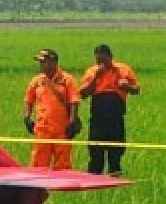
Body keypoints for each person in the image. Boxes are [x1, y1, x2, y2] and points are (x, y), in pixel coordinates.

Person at [80, 43, 140, 176]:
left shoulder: (123, 69)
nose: (101, 63)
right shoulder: (92, 71)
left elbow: (137, 89)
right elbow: (83, 94)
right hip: (98, 118)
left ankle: (114, 178)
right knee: (96, 152)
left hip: (116, 117)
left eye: (103, 60)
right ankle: (94, 181)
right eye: (98, 60)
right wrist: (96, 77)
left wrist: (127, 86)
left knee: (116, 152)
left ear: (111, 57)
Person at [23, 49, 81, 170]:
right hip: (42, 129)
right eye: (40, 62)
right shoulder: (37, 81)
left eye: (43, 62)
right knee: (39, 163)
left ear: (53, 63)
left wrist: (72, 122)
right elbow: (29, 100)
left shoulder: (67, 80)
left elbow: (74, 102)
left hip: (62, 129)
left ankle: (62, 186)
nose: (40, 65)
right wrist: (27, 117)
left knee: (62, 163)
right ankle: (39, 188)